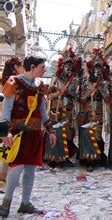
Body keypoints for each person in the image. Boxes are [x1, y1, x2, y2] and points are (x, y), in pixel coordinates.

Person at [0, 56, 57, 216]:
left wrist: (51, 131)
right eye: (42, 66)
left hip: (34, 134)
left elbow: (42, 113)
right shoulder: (14, 82)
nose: (44, 69)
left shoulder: (39, 86)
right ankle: (6, 204)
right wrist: (5, 132)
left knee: (31, 169)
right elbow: (6, 110)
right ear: (32, 67)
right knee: (16, 167)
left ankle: (25, 203)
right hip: (18, 133)